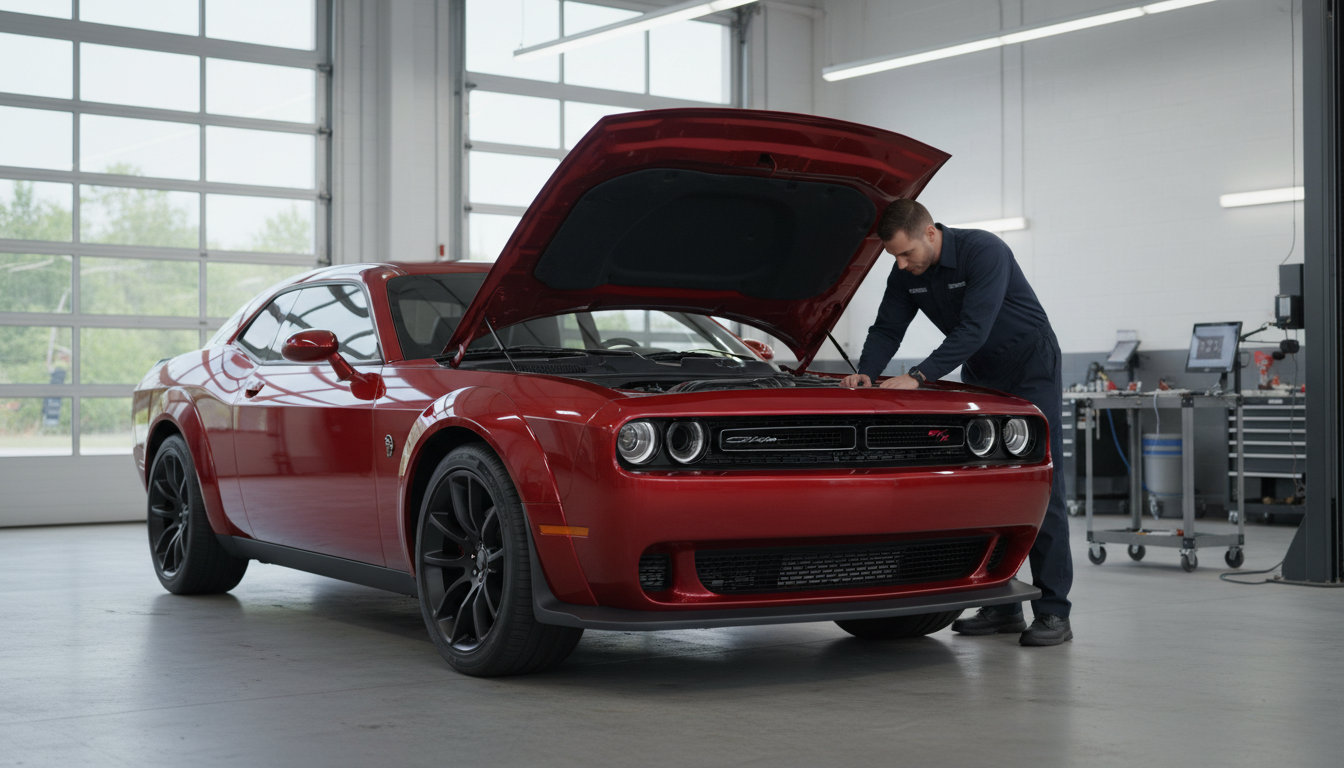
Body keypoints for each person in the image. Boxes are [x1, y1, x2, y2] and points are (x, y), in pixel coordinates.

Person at [841, 199, 1073, 646]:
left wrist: (918, 377)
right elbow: (888, 327)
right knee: (988, 486)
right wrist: (866, 372)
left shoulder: (984, 251)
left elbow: (974, 327)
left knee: (1043, 485)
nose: (902, 264)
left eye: (907, 254)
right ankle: (1001, 605)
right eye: (894, 257)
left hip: (1030, 364)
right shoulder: (905, 271)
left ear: (930, 232)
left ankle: (1053, 611)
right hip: (981, 369)